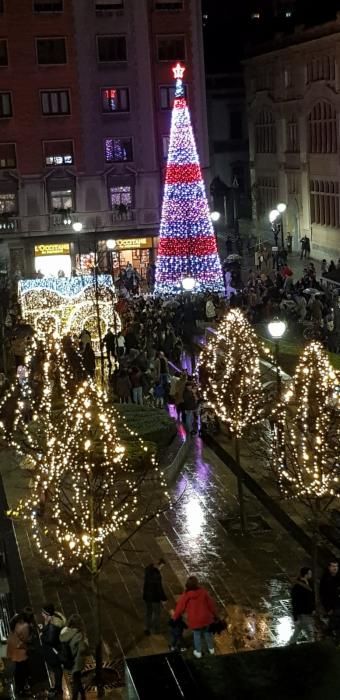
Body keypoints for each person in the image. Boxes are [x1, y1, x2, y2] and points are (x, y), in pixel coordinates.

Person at [172, 576, 215, 659]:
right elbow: (211, 604)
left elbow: (180, 607)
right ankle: (211, 649)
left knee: (197, 635)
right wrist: (215, 614)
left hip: (195, 620)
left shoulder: (186, 595)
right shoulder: (203, 592)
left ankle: (198, 652)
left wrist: (175, 617)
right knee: (207, 633)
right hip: (206, 618)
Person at [59, 615, 88, 700]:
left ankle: (83, 696)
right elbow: (82, 649)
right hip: (77, 661)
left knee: (77, 680)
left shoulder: (64, 631)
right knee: (76, 681)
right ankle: (76, 698)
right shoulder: (79, 635)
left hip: (68, 660)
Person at [40, 604, 66, 697]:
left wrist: (42, 636)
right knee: (57, 670)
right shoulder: (51, 621)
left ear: (47, 614)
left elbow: (50, 640)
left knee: (57, 669)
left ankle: (58, 689)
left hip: (53, 652)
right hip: (54, 650)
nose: (41, 614)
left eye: (43, 612)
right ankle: (57, 687)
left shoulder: (53, 626)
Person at [7, 611, 31, 696]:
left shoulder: (13, 624)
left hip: (14, 651)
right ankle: (21, 689)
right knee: (22, 671)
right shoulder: (23, 626)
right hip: (20, 652)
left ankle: (19, 689)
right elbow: (25, 639)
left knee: (18, 671)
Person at [288, 567, 315, 644]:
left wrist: (313, 608)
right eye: (310, 573)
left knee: (298, 629)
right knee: (310, 632)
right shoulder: (297, 587)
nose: (311, 575)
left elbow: (312, 597)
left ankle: (291, 643)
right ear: (306, 575)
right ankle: (311, 645)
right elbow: (295, 602)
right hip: (302, 612)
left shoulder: (310, 582)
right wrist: (295, 617)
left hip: (308, 611)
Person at [143, 560, 167, 635]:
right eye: (162, 566)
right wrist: (164, 598)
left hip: (147, 596)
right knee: (156, 613)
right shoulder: (157, 575)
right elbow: (159, 588)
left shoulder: (148, 571)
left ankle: (147, 628)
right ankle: (156, 629)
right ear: (160, 565)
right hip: (155, 597)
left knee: (148, 612)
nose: (162, 568)